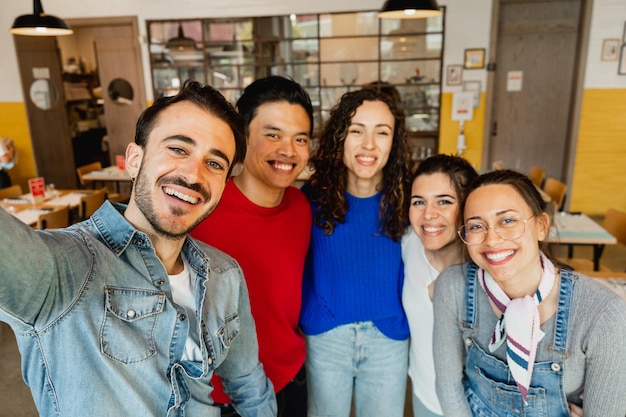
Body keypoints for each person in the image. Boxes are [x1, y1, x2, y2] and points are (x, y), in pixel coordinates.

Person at [0, 80, 277, 417]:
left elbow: (247, 382)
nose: (193, 175)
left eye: (215, 163)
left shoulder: (225, 274)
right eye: (178, 148)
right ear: (134, 159)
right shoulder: (63, 268)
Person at [433, 169, 626, 417]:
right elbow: (449, 389)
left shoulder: (604, 316)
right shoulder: (453, 287)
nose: (492, 239)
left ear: (541, 226)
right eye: (476, 226)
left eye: (508, 220)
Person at [191, 75, 314, 417]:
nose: (288, 151)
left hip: (290, 377)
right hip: (223, 393)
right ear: (243, 136)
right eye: (272, 134)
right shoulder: (202, 208)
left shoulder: (301, 208)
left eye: (300, 138)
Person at [300, 88, 413, 417]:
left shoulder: (409, 202)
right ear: (339, 137)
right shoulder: (310, 199)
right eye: (356, 130)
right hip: (326, 337)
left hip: (387, 339)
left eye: (382, 132)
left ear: (394, 141)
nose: (369, 145)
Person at [402, 154, 478, 417]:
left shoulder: (487, 272)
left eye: (444, 201)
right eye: (418, 202)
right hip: (424, 396)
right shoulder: (409, 243)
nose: (429, 215)